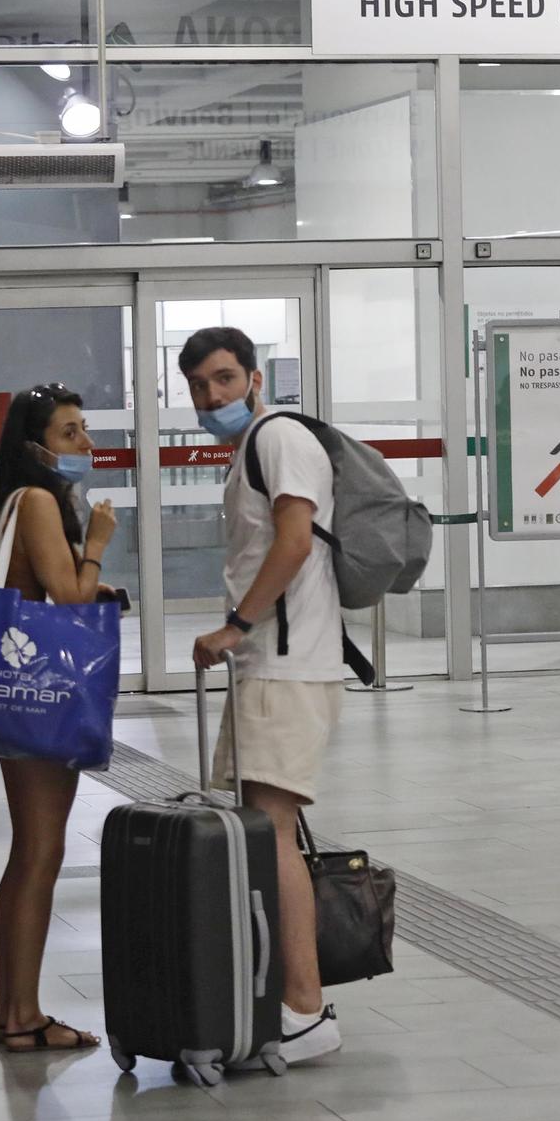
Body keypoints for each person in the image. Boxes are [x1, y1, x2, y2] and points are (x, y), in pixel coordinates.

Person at [182, 326, 345, 1066]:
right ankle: (288, 999)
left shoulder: (278, 437)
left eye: (222, 379)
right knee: (263, 826)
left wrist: (236, 625)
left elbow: (295, 540)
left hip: (285, 663)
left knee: (273, 830)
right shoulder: (255, 445)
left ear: (254, 377)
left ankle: (307, 1010)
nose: (211, 396)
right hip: (270, 665)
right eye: (198, 386)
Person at [0, 384, 116, 1053]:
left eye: (84, 429)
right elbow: (68, 594)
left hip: (16, 691)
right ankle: (22, 1015)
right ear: (36, 446)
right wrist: (96, 544)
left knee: (31, 851)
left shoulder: (11, 502)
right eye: (70, 433)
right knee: (39, 851)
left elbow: (37, 585)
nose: (86, 445)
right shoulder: (36, 501)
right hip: (39, 694)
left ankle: (14, 1009)